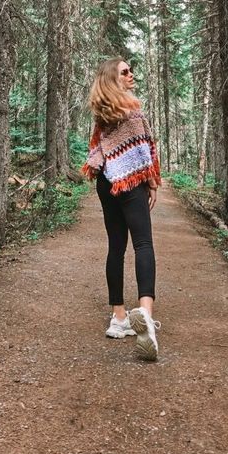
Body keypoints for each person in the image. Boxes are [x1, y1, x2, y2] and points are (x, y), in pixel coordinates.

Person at [81, 57, 162, 361]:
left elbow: (98, 150)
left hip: (106, 182)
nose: (131, 75)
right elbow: (144, 150)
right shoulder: (132, 110)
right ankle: (145, 315)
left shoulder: (103, 114)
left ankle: (118, 319)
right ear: (113, 79)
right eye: (125, 72)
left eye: (131, 71)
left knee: (116, 247)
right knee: (142, 243)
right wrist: (151, 181)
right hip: (129, 184)